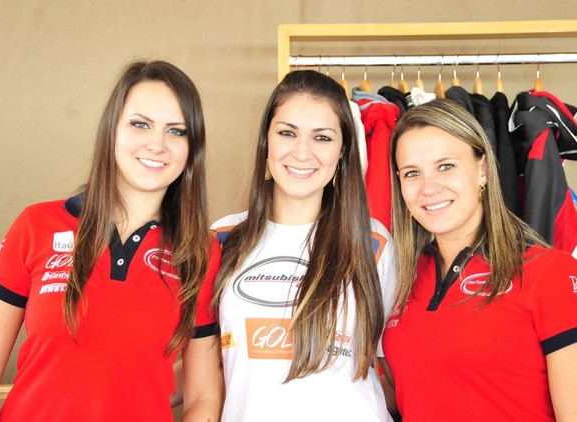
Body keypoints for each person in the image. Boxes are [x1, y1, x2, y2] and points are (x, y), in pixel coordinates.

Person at [0, 60, 223, 421]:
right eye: (140, 124)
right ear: (112, 129)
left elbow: (204, 396)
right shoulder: (36, 225)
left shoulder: (200, 252)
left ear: (192, 148)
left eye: (176, 131)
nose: (157, 144)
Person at [210, 70, 397, 422]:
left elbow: (402, 374)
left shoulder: (373, 243)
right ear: (266, 142)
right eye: (287, 133)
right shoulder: (222, 238)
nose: (302, 152)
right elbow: (201, 369)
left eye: (322, 137)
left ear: (342, 151)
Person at [382, 98, 577, 421]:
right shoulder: (400, 279)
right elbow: (409, 391)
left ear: (482, 169)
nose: (428, 188)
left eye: (446, 166)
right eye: (412, 173)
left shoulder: (550, 272)